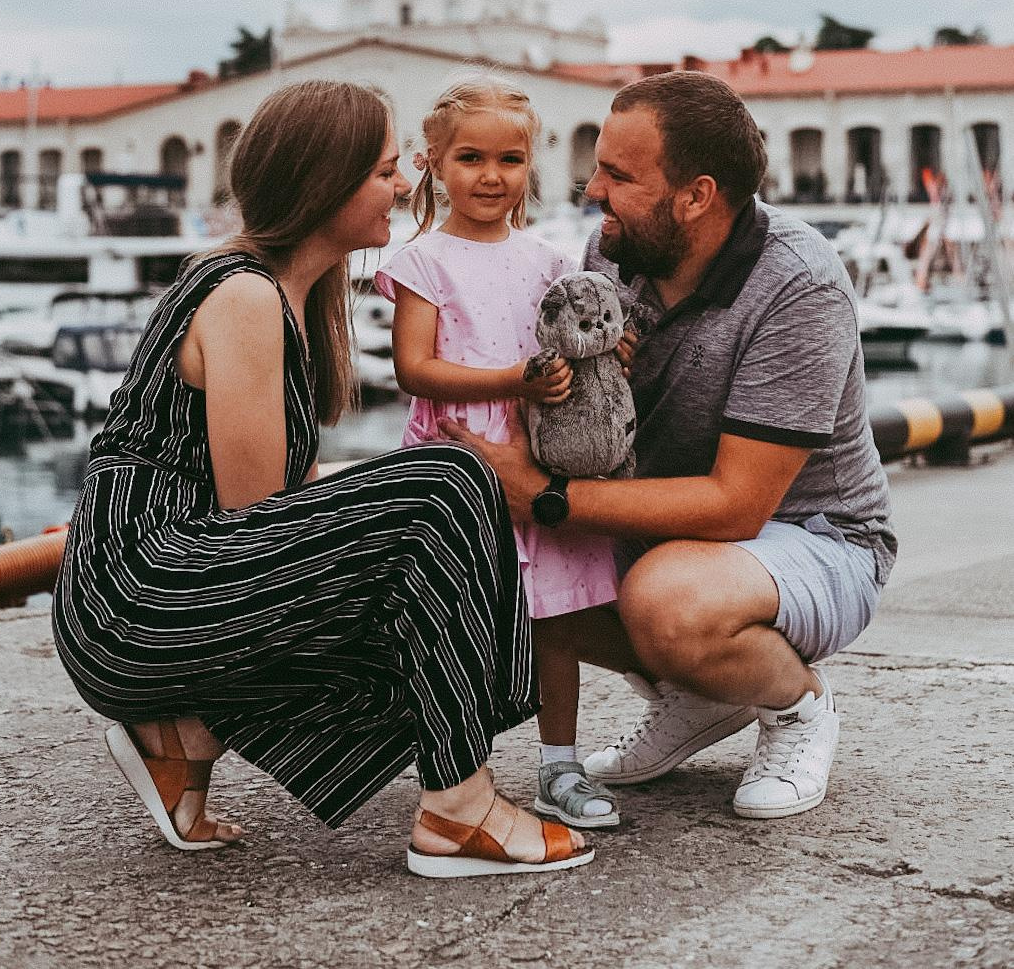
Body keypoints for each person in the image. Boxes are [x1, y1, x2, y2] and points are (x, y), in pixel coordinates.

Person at [52, 78, 592, 878]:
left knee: (437, 544)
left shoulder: (290, 298)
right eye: (383, 170)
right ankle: (458, 808)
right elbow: (262, 518)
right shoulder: (243, 295)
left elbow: (290, 507)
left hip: (155, 593)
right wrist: (434, 498)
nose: (403, 186)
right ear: (323, 182)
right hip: (135, 599)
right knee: (449, 479)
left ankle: (183, 738)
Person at [445, 71, 897, 821]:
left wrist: (547, 497)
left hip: (816, 536)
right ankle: (696, 695)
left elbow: (737, 504)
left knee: (668, 601)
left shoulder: (798, 285)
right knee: (505, 568)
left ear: (695, 196)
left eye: (619, 176)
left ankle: (797, 706)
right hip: (662, 529)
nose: (592, 190)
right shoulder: (612, 252)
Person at [373, 77, 622, 830]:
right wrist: (511, 379)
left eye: (509, 159)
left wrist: (603, 351)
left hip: (537, 449)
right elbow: (415, 369)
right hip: (459, 456)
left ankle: (559, 765)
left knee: (556, 620)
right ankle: (460, 770)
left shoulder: (547, 260)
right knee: (461, 615)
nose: (491, 175)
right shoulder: (423, 261)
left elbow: (570, 340)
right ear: (432, 163)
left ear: (529, 165)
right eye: (470, 158)